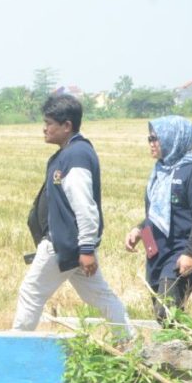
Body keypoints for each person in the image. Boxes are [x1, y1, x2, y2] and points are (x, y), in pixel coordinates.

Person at [12, 94, 131, 336]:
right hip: (72, 245)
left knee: (31, 292)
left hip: (64, 245)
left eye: (49, 123)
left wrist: (86, 249)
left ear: (67, 126)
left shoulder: (76, 156)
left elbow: (84, 206)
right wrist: (84, 248)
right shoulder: (68, 153)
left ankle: (17, 346)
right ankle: (128, 341)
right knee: (99, 296)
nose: (44, 128)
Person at [125, 115, 192, 321]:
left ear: (173, 139)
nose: (151, 143)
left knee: (166, 311)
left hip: (180, 251)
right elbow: (157, 212)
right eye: (149, 138)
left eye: (155, 138)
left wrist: (190, 253)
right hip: (155, 251)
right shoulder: (161, 170)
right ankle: (181, 341)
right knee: (164, 314)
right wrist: (139, 229)